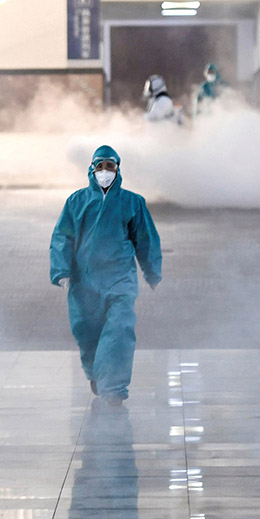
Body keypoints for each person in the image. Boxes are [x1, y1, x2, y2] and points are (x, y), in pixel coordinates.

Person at [50, 145, 162, 407]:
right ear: (91, 169)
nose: (104, 171)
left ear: (118, 169)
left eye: (109, 166)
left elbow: (145, 238)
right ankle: (96, 373)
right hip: (84, 281)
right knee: (87, 333)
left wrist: (152, 271)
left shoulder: (132, 203)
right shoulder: (76, 202)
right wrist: (61, 271)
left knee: (119, 329)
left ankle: (113, 387)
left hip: (120, 279)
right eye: (99, 166)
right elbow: (63, 237)